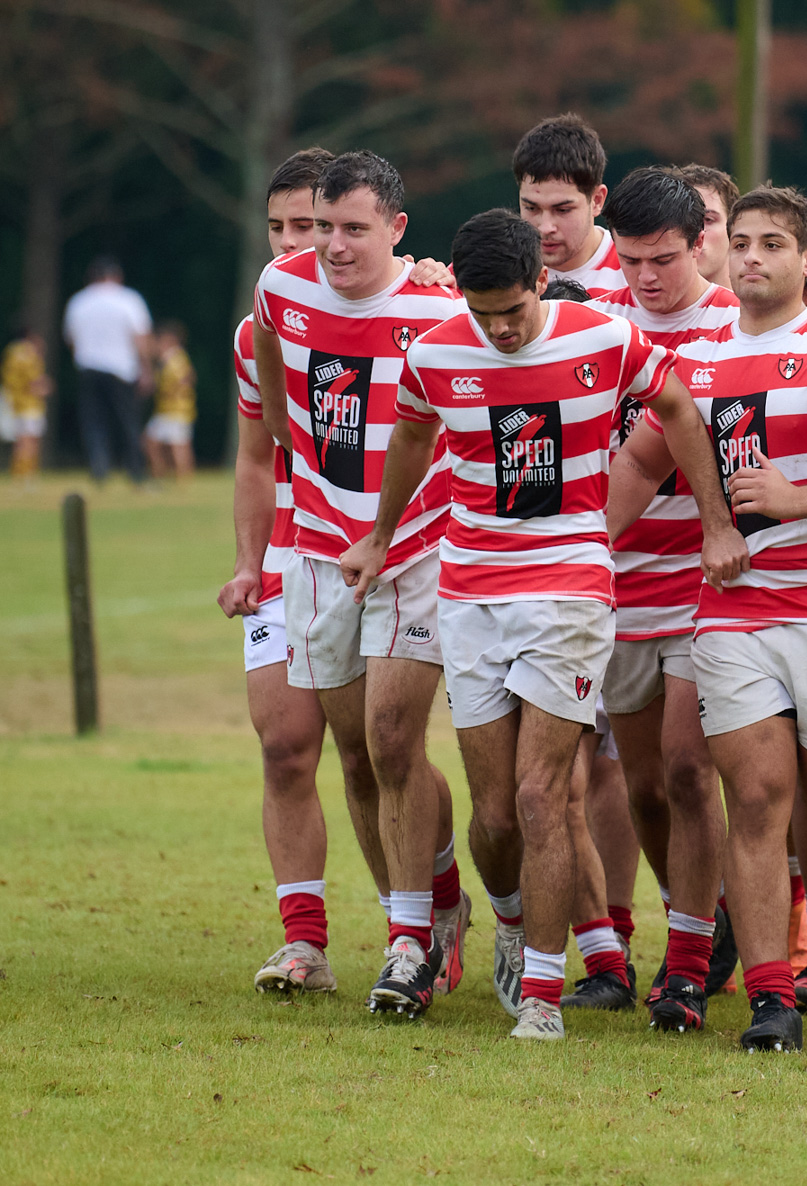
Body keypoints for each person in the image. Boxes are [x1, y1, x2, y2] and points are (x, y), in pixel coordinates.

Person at [345, 207, 742, 1040]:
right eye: (483, 315)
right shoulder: (438, 352)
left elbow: (676, 407)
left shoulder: (601, 337)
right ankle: (515, 922)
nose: (499, 332)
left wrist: (715, 521)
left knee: (539, 795)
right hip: (469, 593)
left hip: (568, 588)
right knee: (493, 817)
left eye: (514, 313)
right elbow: (412, 440)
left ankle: (540, 994)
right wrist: (379, 536)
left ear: (538, 284)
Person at [612, 185, 807, 1051]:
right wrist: (585, 549)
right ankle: (771, 999)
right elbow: (641, 462)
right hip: (734, 616)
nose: (751, 257)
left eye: (772, 245)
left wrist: (797, 499)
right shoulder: (696, 362)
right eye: (740, 241)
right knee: (752, 799)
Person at [252, 149, 468, 1019]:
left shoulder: (439, 306)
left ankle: (408, 946)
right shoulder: (281, 288)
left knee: (389, 737)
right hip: (317, 550)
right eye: (323, 226)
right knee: (353, 754)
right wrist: (297, 454)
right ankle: (429, 899)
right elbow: (270, 378)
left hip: (417, 548)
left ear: (397, 230)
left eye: (353, 230)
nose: (333, 247)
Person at [587, 167, 743, 1025]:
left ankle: (684, 967)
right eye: (634, 258)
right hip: (615, 586)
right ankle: (704, 917)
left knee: (688, 770)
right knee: (641, 785)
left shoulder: (730, 327)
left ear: (699, 245)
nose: (648, 277)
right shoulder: (591, 322)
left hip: (703, 586)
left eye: (667, 259)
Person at [217, 149, 338, 995]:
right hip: (290, 552)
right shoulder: (255, 329)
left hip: (376, 556)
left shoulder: (412, 310)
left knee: (380, 754)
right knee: (286, 747)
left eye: (311, 226)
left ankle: (439, 902)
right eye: (280, 228)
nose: (292, 243)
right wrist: (248, 562)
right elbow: (254, 459)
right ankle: (304, 943)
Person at [64, 255, 153, 483]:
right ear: (116, 276)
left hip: (88, 367)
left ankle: (99, 468)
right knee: (127, 420)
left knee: (93, 421)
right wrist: (146, 369)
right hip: (121, 369)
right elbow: (140, 338)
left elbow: (71, 338)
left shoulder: (78, 301)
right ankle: (135, 469)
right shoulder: (128, 299)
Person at [515, 114, 627, 295]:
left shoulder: (638, 273)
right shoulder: (486, 267)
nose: (545, 228)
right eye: (531, 208)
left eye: (562, 210)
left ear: (597, 200)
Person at [668, 164, 739, 289]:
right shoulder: (629, 306)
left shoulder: (759, 306)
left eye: (708, 220)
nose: (695, 231)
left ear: (734, 228)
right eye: (681, 219)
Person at [143, 319, 196, 482]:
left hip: (176, 410)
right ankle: (162, 474)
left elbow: (186, 379)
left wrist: (170, 391)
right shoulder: (169, 359)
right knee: (152, 442)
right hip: (167, 410)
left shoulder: (176, 358)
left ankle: (183, 478)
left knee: (178, 446)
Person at [2, 325, 51, 481]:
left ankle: (18, 473)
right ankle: (27, 474)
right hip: (30, 404)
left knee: (20, 440)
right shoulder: (28, 354)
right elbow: (33, 381)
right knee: (29, 440)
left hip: (13, 402)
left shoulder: (10, 352)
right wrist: (44, 387)